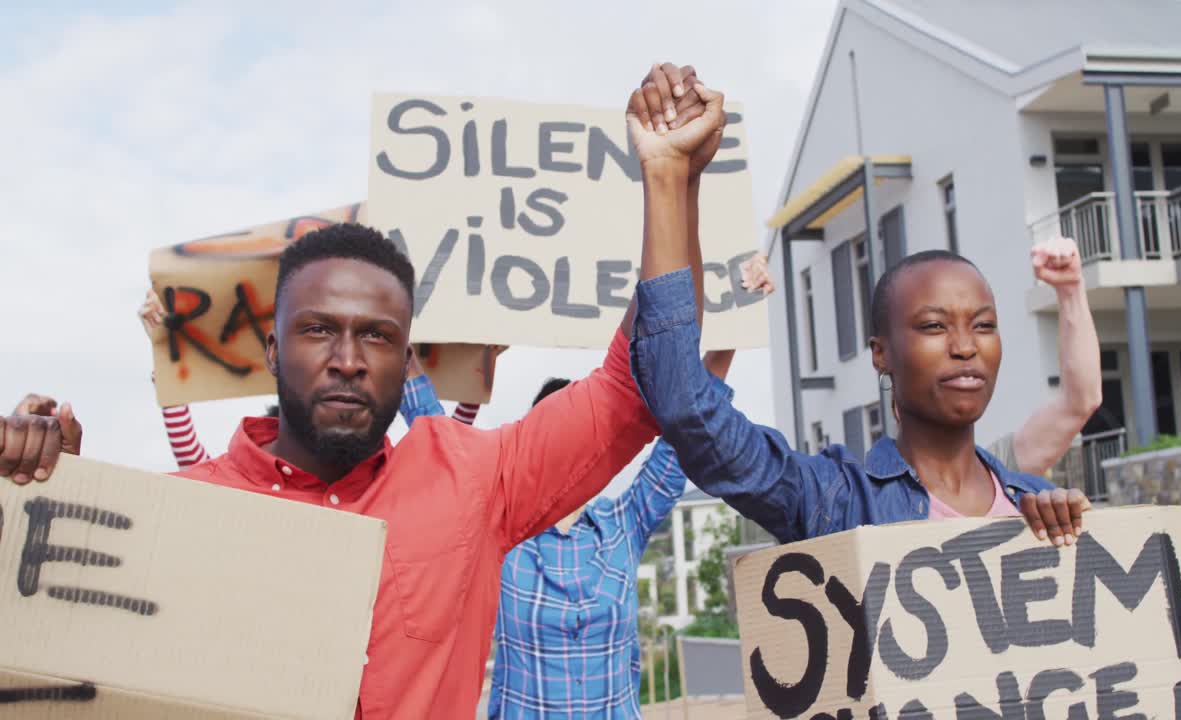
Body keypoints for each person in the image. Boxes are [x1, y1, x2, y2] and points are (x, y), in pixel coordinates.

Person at [0, 61, 726, 718]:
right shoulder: (185, 514)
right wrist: (36, 498)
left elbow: (639, 384)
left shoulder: (474, 480)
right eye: (319, 330)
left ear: (404, 356)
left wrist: (669, 181)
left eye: (376, 335)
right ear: (272, 349)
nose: (348, 358)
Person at [623, 73, 1090, 548]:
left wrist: (1075, 533)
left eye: (984, 326)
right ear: (881, 354)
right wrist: (670, 178)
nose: (966, 346)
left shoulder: (1035, 504)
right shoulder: (832, 499)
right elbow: (685, 405)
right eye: (933, 326)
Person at [487, 255, 773, 719]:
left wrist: (734, 321)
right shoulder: (503, 533)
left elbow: (686, 435)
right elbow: (434, 447)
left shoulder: (623, 524)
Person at [136, 289, 494, 468]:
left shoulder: (373, 495)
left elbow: (445, 460)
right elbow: (196, 467)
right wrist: (168, 367)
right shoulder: (249, 493)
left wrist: (473, 381)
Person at [982, 236, 1101, 477]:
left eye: (981, 326)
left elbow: (1079, 402)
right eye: (932, 327)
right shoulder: (883, 491)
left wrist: (1070, 291)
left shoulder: (989, 470)